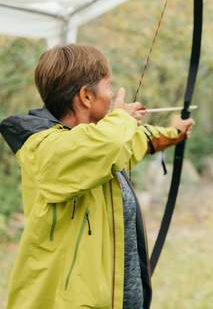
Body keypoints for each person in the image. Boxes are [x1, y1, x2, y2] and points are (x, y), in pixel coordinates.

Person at [0, 44, 194, 309]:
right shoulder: (45, 147)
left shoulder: (100, 145)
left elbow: (131, 143)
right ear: (86, 97)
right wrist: (121, 119)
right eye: (108, 86)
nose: (112, 95)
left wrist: (173, 133)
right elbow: (103, 144)